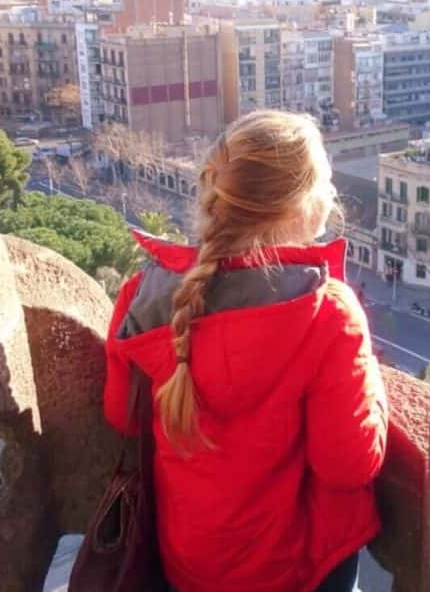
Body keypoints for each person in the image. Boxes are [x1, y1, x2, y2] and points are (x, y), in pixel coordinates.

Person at [103, 111, 388, 592]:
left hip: (186, 562)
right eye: (326, 184)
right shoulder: (327, 314)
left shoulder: (143, 295)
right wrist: (375, 389)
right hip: (295, 570)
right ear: (303, 208)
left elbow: (122, 416)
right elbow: (349, 463)